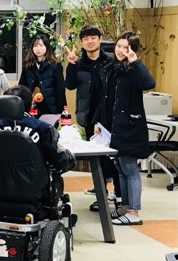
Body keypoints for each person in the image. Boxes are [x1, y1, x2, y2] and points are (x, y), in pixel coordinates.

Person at [94, 31, 155, 225]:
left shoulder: (134, 70)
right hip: (114, 128)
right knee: (120, 168)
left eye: (126, 48)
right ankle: (126, 208)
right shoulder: (114, 69)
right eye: (119, 46)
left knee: (130, 169)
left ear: (133, 50)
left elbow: (149, 83)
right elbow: (105, 99)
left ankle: (134, 212)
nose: (121, 50)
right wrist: (98, 121)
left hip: (131, 128)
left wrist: (135, 62)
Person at [65, 24, 120, 212]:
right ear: (82, 42)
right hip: (89, 116)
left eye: (93, 38)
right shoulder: (79, 63)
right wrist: (71, 65)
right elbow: (70, 85)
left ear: (100, 39)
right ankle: (101, 195)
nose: (90, 41)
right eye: (86, 39)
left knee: (113, 158)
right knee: (97, 160)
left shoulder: (110, 61)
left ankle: (119, 196)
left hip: (109, 117)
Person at [0, 85, 75, 173]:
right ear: (30, 106)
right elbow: (61, 160)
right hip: (33, 183)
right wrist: (71, 157)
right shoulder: (42, 128)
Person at [18, 34, 66, 116]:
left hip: (50, 108)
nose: (38, 49)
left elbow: (60, 90)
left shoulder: (55, 65)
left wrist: (60, 111)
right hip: (31, 108)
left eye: (41, 45)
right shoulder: (27, 66)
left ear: (47, 47)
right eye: (35, 46)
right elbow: (22, 87)